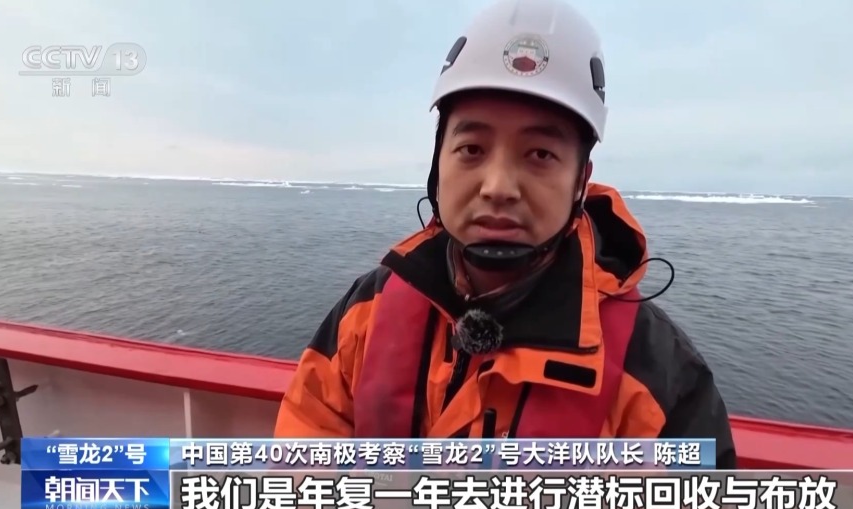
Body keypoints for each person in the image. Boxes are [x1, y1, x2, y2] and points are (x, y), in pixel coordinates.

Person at [275, 0, 736, 468]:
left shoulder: (656, 370)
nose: (497, 187)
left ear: (581, 181)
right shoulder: (368, 311)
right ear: (438, 163)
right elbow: (304, 451)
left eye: (540, 155)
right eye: (472, 149)